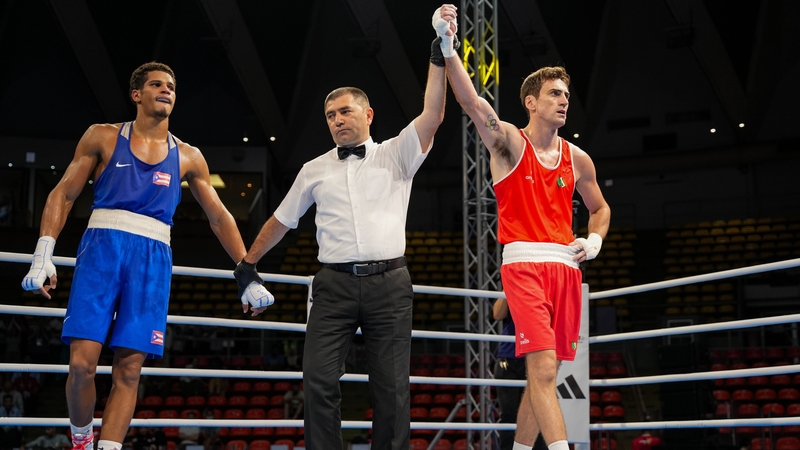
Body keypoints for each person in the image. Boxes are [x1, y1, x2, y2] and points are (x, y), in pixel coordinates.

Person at [20, 61, 273, 450]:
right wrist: (43, 251)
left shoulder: (188, 156)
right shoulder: (103, 136)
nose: (166, 89)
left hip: (153, 258)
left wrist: (247, 272)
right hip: (102, 248)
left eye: (171, 85)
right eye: (156, 84)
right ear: (137, 94)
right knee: (81, 365)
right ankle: (82, 440)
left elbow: (220, 217)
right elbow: (64, 193)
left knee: (129, 370)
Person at [232, 7, 453, 449]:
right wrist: (247, 265)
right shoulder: (314, 169)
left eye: (345, 111)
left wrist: (438, 53)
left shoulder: (396, 153)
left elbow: (432, 114)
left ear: (368, 114)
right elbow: (281, 220)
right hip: (332, 286)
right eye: (330, 114)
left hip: (389, 283)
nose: (336, 119)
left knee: (392, 388)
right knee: (316, 378)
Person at [436, 5, 611, 449]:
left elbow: (600, 208)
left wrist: (594, 239)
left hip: (567, 268)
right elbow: (472, 103)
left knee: (544, 375)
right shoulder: (510, 143)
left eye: (566, 94)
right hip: (525, 265)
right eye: (554, 93)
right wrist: (447, 45)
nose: (564, 100)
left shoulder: (578, 159)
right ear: (531, 102)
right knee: (545, 369)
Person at [493, 299, 547, 450]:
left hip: (536, 355)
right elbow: (497, 314)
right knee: (509, 414)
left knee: (538, 412)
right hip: (509, 357)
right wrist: (507, 289)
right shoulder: (513, 288)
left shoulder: (544, 289)